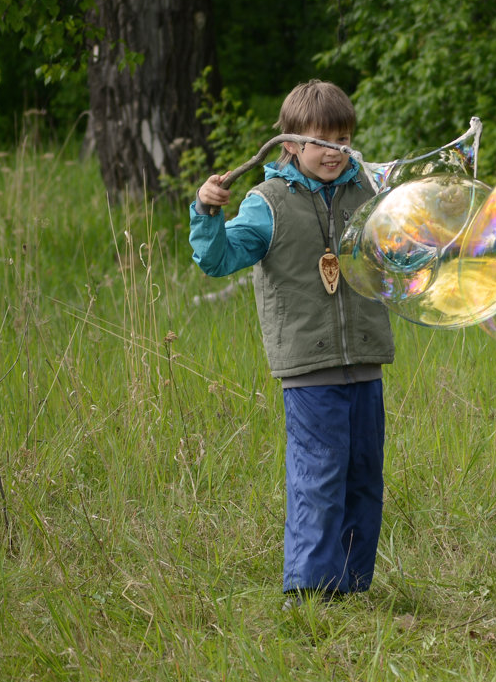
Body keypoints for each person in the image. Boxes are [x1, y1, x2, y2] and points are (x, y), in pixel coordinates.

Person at [189, 80, 394, 604]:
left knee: (364, 479)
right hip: (309, 370)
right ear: (289, 145)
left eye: (343, 140)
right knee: (320, 478)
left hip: (365, 364)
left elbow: (404, 249)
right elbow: (217, 260)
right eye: (321, 141)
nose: (334, 152)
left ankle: (352, 588)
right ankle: (309, 591)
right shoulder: (268, 203)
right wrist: (208, 213)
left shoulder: (368, 194)